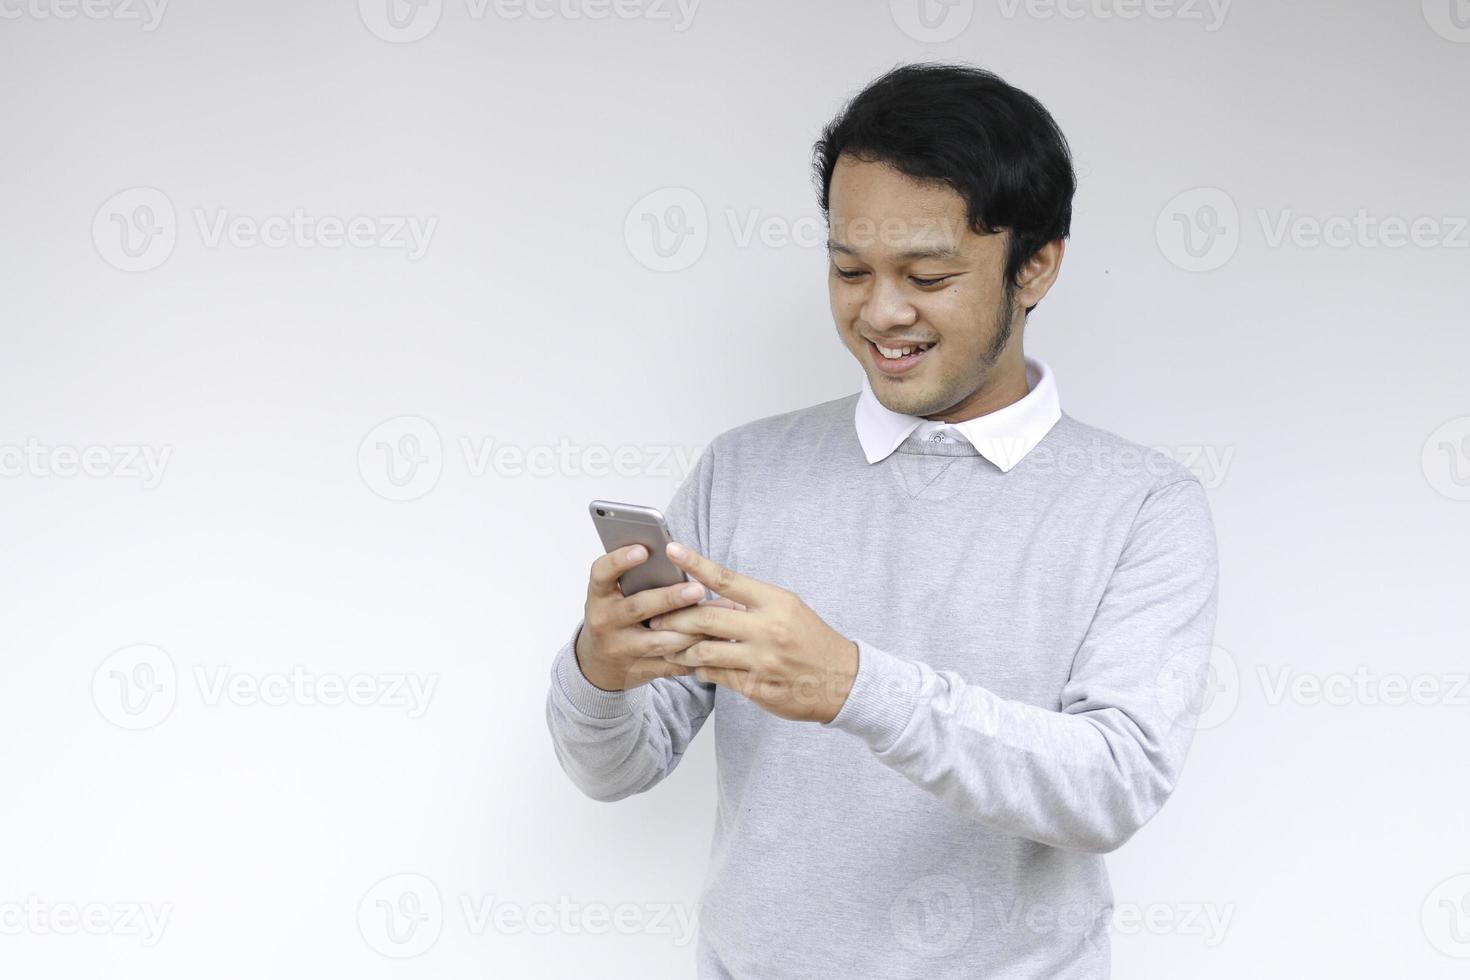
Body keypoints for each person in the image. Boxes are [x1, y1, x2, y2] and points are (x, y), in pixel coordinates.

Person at [546, 62, 1220, 979]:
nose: (881, 311)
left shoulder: (1141, 506)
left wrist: (855, 685)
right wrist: (601, 671)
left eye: (929, 274)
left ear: (1038, 266)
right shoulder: (745, 470)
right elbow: (614, 769)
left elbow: (1112, 785)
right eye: (849, 269)